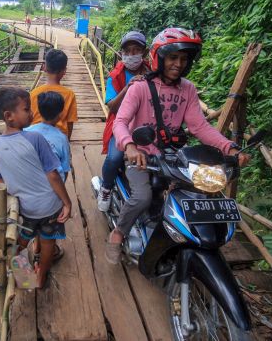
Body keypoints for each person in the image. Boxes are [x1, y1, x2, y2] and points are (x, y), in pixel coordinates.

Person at [105, 27, 251, 265]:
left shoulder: (188, 89)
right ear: (160, 57)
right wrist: (130, 146)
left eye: (184, 59)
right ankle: (118, 232)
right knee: (142, 197)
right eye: (173, 57)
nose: (179, 64)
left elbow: (200, 127)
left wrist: (229, 147)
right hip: (143, 157)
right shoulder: (139, 87)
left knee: (197, 194)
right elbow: (120, 122)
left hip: (174, 158)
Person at [0, 87, 72, 288]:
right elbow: (53, 174)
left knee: (21, 240)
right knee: (47, 241)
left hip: (25, 209)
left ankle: (25, 279)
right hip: (49, 206)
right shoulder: (35, 139)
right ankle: (41, 276)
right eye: (26, 109)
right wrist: (67, 202)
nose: (31, 113)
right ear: (9, 116)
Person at [97, 31, 151, 212]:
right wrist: (129, 87)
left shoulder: (153, 72)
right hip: (121, 126)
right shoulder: (116, 75)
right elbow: (111, 106)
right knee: (114, 157)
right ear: (122, 53)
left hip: (147, 125)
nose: (131, 55)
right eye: (127, 51)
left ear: (144, 52)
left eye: (136, 50)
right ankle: (105, 187)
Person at [30, 49, 78, 139]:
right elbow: (70, 123)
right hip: (59, 137)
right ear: (64, 71)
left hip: (36, 137)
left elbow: (29, 119)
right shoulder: (69, 95)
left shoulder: (33, 93)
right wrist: (67, 141)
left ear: (44, 67)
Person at [25, 91, 71, 181]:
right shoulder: (62, 138)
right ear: (60, 114)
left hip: (29, 180)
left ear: (39, 111)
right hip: (52, 185)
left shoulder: (26, 131)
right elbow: (65, 169)